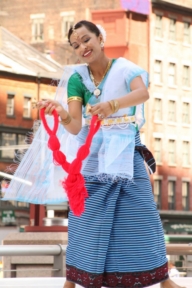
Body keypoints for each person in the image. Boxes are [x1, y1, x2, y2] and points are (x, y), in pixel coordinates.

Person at [3, 20, 184, 288]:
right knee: (84, 220)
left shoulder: (125, 69)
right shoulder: (77, 79)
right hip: (93, 157)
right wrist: (62, 112)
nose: (82, 47)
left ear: (101, 38)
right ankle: (73, 280)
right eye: (76, 45)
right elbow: (76, 126)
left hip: (127, 153)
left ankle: (163, 279)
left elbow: (142, 93)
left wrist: (112, 105)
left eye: (86, 39)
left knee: (144, 218)